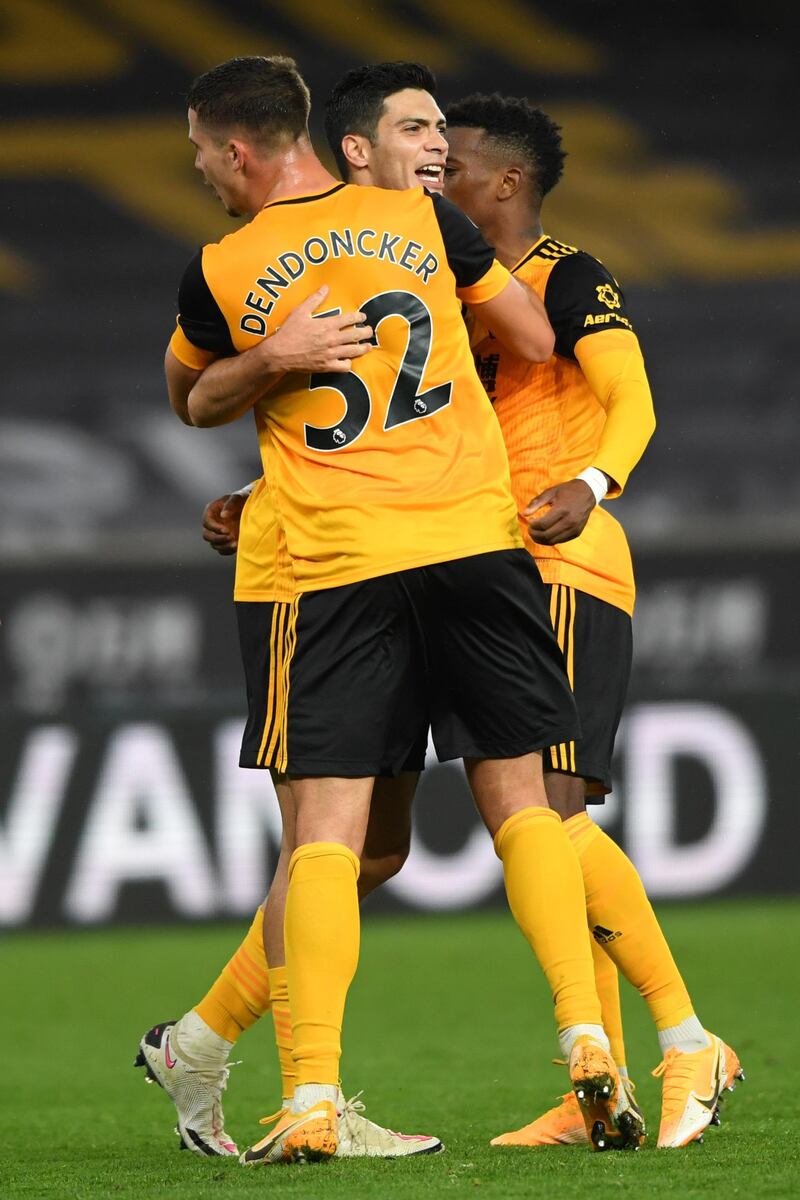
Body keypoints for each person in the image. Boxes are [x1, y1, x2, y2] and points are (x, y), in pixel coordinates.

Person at [162, 54, 633, 1167]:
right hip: (473, 543)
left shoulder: (222, 266)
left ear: (238, 151)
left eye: (196, 153)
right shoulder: (420, 224)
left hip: (339, 562)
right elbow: (526, 340)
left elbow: (189, 397)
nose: (194, 171)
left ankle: (312, 1094)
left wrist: (270, 358)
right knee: (522, 805)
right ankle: (585, 1041)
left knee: (326, 839)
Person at [440, 92, 742, 1149]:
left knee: (550, 814)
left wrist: (594, 480)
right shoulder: (446, 283)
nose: (437, 170)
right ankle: (597, 1083)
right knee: (536, 827)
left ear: (507, 184)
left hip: (564, 561)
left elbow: (634, 398)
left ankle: (685, 1040)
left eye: (457, 160)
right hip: (489, 571)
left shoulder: (564, 276)